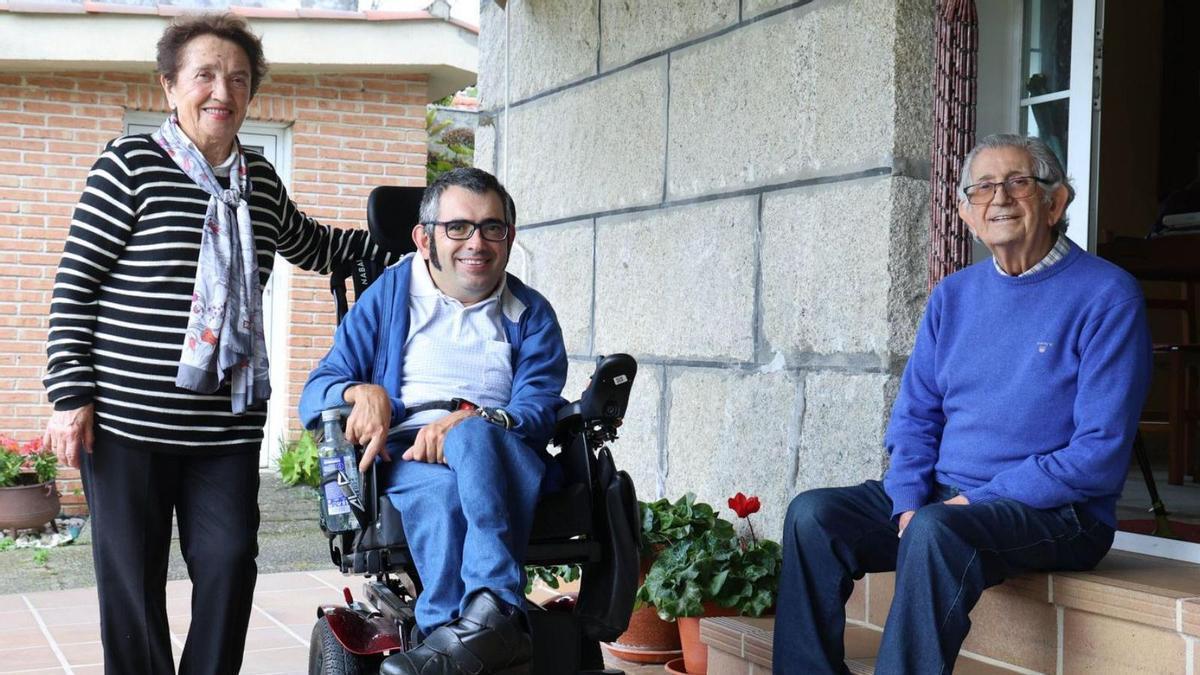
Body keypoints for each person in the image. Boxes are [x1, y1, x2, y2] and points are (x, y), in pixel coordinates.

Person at [40, 14, 389, 675]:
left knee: (229, 565)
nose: (221, 91)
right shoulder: (129, 166)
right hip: (126, 424)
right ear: (170, 86)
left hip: (224, 426)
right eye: (204, 75)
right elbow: (74, 287)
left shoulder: (259, 181)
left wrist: (422, 238)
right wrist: (70, 395)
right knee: (133, 588)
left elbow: (315, 245)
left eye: (237, 78)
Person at [772, 134, 1152, 674]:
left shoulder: (1107, 296)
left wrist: (970, 503)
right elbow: (915, 417)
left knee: (935, 530)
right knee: (814, 515)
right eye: (983, 188)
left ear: (1056, 201)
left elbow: (1099, 453)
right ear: (966, 214)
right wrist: (906, 500)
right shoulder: (953, 296)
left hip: (1059, 513)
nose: (999, 199)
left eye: (1018, 183)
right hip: (945, 501)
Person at [299, 167, 568, 675]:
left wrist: (470, 420)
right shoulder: (390, 295)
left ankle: (478, 624)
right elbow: (316, 391)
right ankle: (476, 627)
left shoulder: (530, 313)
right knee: (443, 497)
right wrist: (361, 391)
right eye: (459, 227)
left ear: (510, 238)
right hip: (409, 457)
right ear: (425, 238)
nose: (478, 242)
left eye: (493, 228)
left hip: (503, 449)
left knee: (472, 437)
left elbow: (537, 406)